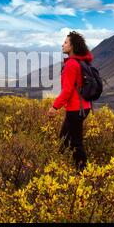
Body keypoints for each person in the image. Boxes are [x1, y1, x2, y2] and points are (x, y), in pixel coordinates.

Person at [48, 31, 94, 171]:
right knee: (65, 139)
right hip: (83, 107)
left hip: (75, 109)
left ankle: (83, 172)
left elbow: (67, 91)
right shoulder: (80, 62)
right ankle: (67, 167)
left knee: (75, 142)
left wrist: (55, 107)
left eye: (66, 42)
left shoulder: (71, 64)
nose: (63, 45)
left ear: (72, 46)